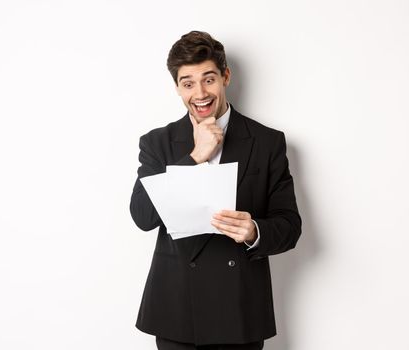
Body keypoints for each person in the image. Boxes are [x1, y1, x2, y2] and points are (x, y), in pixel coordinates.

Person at [129, 31, 302, 350]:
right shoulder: (157, 143)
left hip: (239, 309)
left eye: (208, 79)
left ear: (225, 76)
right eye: (188, 83)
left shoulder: (267, 142)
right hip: (176, 310)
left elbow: (290, 227)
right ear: (178, 88)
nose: (200, 93)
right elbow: (143, 216)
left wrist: (254, 231)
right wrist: (195, 157)